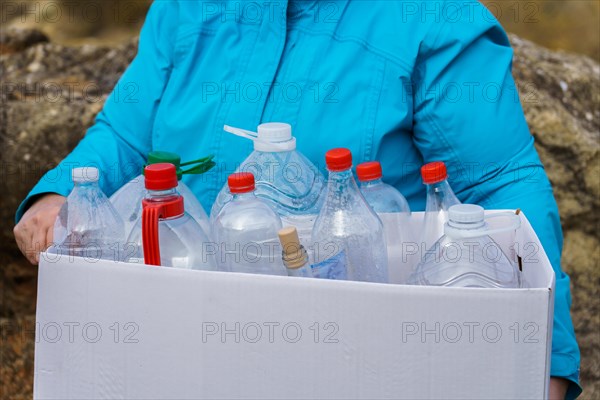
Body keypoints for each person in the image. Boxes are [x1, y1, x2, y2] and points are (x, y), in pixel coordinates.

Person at [13, 1, 580, 397]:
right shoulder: (183, 10)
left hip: (359, 360)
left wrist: (540, 364)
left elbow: (503, 188)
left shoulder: (433, 19)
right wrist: (61, 193)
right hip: (176, 346)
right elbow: (127, 134)